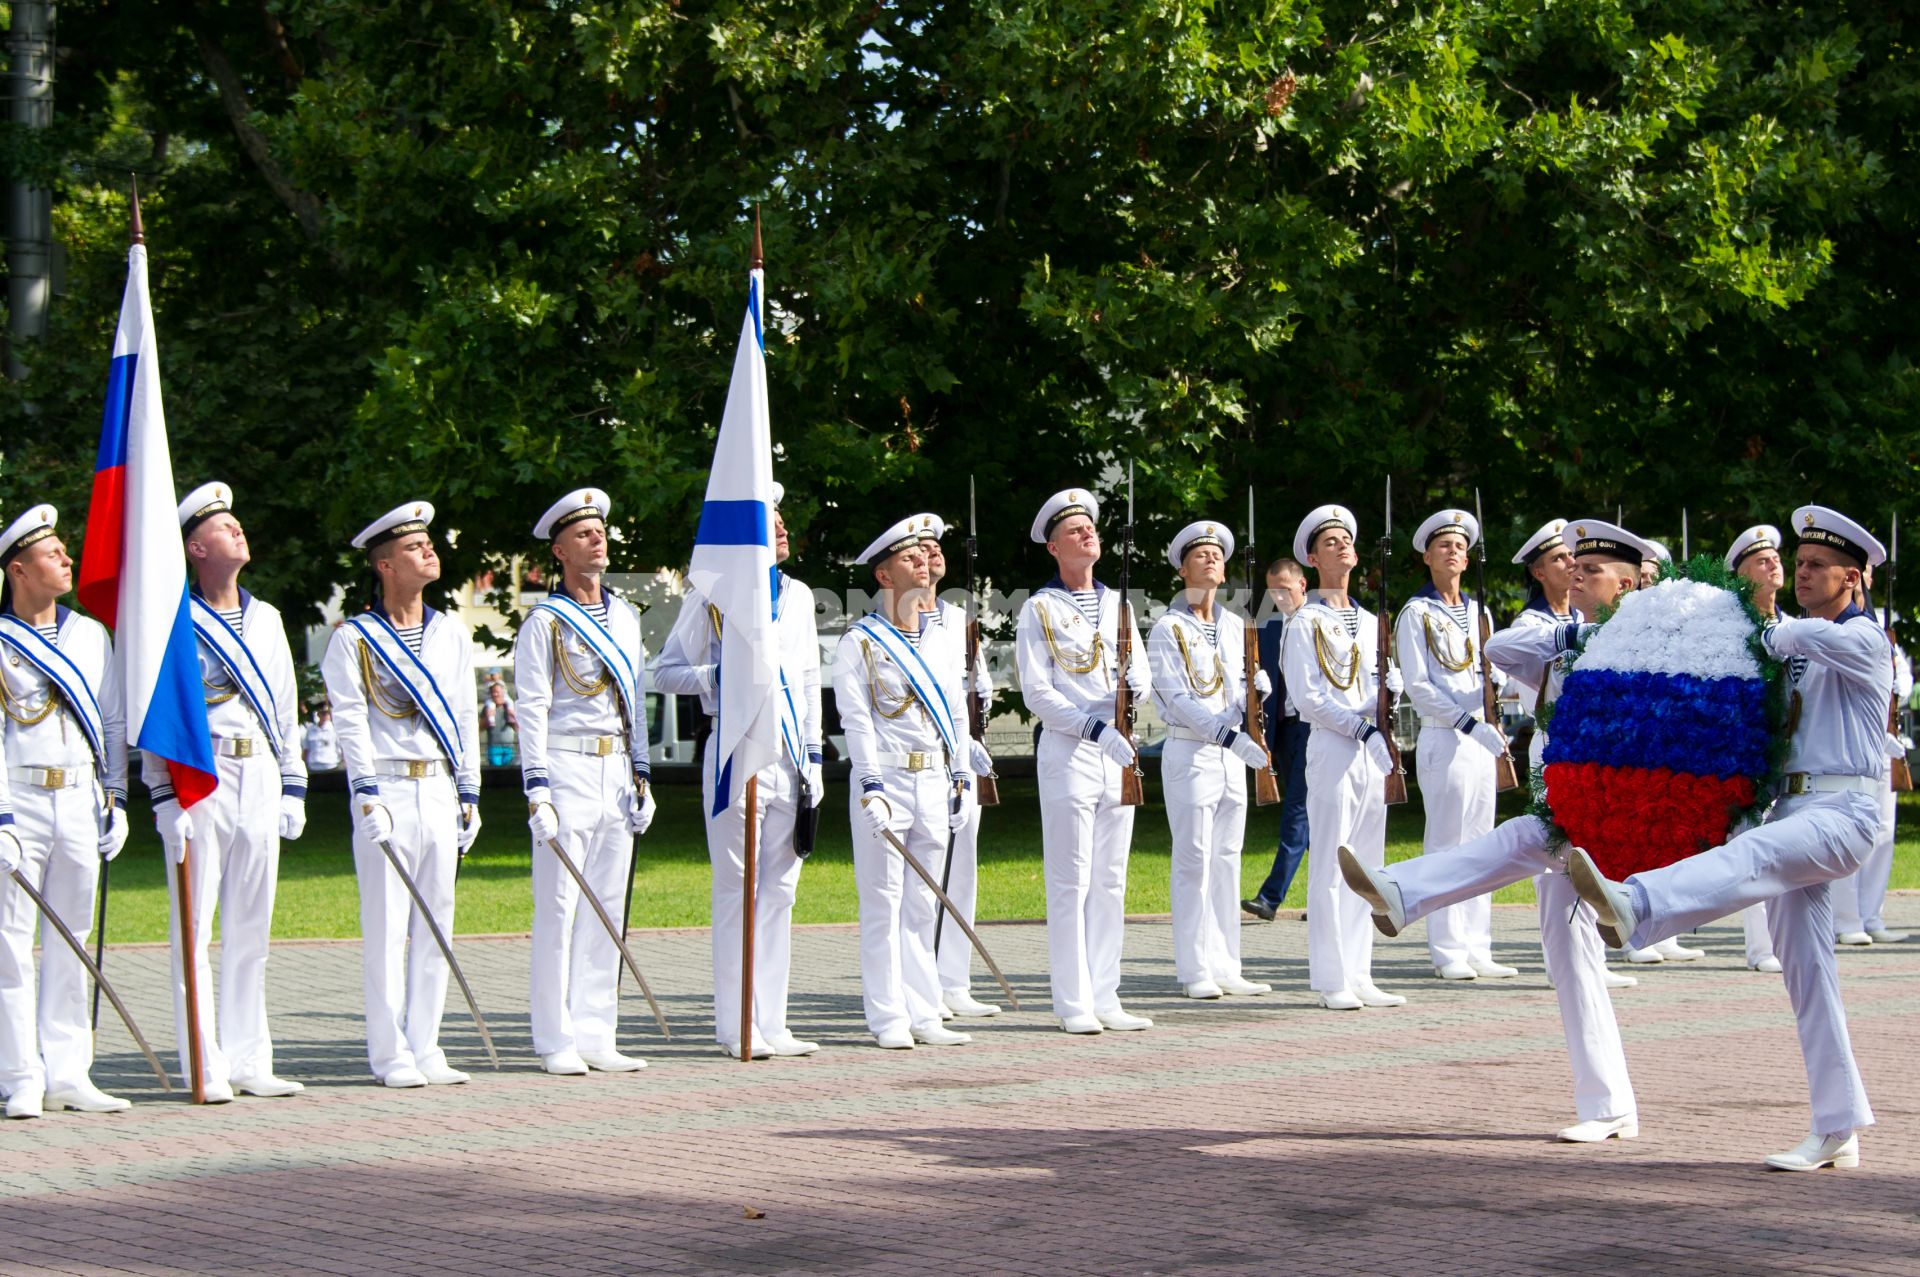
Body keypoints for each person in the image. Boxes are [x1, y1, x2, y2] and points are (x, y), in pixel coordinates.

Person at [1568, 505, 1886, 1171]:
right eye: (1797, 564)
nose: (1800, 574)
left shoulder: (1861, 639)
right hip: (1795, 807)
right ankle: (1838, 1124)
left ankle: (1639, 904)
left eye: (1816, 567)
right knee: (1808, 974)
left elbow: (1778, 638)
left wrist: (1716, 606)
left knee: (1754, 856)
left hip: (1843, 810)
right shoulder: (1806, 640)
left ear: (1852, 578)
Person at [1340, 516, 1650, 1142]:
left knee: (1520, 849)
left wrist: (1615, 629)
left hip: (1616, 807)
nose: (1577, 576)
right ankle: (1609, 1104)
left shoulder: (1648, 641)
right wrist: (1580, 631)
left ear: (1626, 583)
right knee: (1567, 955)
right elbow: (1501, 651)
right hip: (1567, 802)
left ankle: (1405, 893)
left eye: (1591, 571)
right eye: (1574, 566)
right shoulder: (1566, 636)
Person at [145, 482, 308, 1102]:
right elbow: (162, 714)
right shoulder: (174, 619)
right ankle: (204, 1062)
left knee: (251, 925)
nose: (237, 530)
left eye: (237, 522)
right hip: (203, 779)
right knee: (196, 929)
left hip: (260, 775)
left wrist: (293, 786)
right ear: (195, 547)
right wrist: (162, 795)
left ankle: (248, 1057)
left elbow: (286, 707)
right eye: (223, 526)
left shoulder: (266, 617)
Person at [654, 482, 822, 1058]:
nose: (780, 528)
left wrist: (815, 757)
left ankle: (771, 1019)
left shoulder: (798, 595)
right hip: (734, 754)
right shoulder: (714, 594)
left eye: (781, 518)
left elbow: (805, 680)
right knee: (737, 891)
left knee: (781, 892)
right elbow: (667, 671)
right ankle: (736, 1023)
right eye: (768, 520)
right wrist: (717, 679)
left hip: (789, 760)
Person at [319, 502, 483, 1088]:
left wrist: (470, 790)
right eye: (414, 548)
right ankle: (389, 1052)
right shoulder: (355, 640)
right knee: (387, 925)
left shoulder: (449, 632)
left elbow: (465, 713)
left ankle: (428, 1044)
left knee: (437, 918)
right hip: (386, 784)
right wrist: (365, 794)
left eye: (428, 543)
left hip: (438, 783)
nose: (429, 552)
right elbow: (352, 720)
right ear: (385, 564)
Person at [517, 488, 657, 1076]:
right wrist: (537, 789)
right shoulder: (545, 622)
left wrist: (643, 774)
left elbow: (635, 700)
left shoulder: (624, 616)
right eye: (583, 534)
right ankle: (555, 1037)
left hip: (616, 768)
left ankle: (598, 1029)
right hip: (567, 766)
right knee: (559, 906)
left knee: (607, 907)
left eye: (600, 530)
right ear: (560, 550)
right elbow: (532, 706)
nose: (596, 539)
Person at [0, 505, 130, 1118]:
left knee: (72, 936)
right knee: (10, 943)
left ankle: (69, 1069)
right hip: (19, 799)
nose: (68, 560)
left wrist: (116, 797)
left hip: (80, 795)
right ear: (19, 570)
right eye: (54, 554)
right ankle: (20, 1074)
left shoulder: (90, 635)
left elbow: (110, 721)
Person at [1013, 487, 1154, 1035]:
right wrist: (1095, 724)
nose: (1088, 534)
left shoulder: (1118, 604)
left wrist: (1129, 700)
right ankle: (1073, 1000)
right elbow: (1038, 692)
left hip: (1116, 749)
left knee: (1112, 879)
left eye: (1090, 527)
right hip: (1071, 750)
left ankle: (1107, 993)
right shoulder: (1039, 608)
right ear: (1054, 547)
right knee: (1071, 879)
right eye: (1074, 530)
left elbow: (1138, 672)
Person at [835, 516, 973, 1049]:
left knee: (923, 903)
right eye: (907, 556)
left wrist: (959, 773)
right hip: (887, 781)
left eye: (922, 553)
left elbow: (956, 714)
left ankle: (924, 1010)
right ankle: (888, 1016)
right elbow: (858, 721)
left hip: (932, 779)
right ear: (885, 576)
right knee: (883, 903)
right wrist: (870, 786)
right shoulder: (860, 643)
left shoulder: (941, 639)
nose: (921, 560)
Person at [1280, 504, 1404, 1011]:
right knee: (1334, 860)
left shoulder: (1372, 620)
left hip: (1370, 750)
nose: (1342, 547)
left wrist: (1391, 693)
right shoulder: (1303, 621)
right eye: (1329, 542)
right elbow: (1308, 697)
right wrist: (1360, 727)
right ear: (1312, 558)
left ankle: (1361, 970)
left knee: (1369, 863)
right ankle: (1332, 977)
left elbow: (1374, 685)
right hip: (1333, 745)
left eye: (1347, 540)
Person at [1148, 520, 1273, 999]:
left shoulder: (1236, 625)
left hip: (1230, 755)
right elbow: (1178, 699)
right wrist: (1227, 732)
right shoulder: (1168, 627)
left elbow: (1234, 688)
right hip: (1192, 751)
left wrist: (1255, 693)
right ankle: (1194, 967)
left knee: (1226, 860)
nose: (1212, 560)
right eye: (1201, 554)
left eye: (1218, 554)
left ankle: (1227, 963)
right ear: (1183, 568)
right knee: (1194, 860)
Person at [1394, 507, 1517, 981]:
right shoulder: (1416, 613)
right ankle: (1447, 948)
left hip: (1482, 740)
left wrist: (1501, 681)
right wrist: (1468, 722)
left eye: (1461, 547)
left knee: (1482, 844)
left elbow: (1485, 669)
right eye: (1445, 545)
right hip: (1447, 736)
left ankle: (1477, 944)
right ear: (1427, 556)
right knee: (1447, 845)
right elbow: (1419, 684)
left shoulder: (1478, 611)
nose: (1454, 552)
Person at [913, 515, 1001, 1018]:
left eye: (937, 546)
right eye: (922, 548)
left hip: (964, 757)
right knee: (926, 875)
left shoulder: (959, 616)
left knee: (961, 868)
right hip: (924, 755)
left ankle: (954, 979)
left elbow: (978, 682)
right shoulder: (905, 616)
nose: (933, 554)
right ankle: (924, 982)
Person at [1831, 560, 1911, 947]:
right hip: (1851, 741)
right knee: (1850, 830)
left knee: (1883, 833)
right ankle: (1847, 919)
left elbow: (1904, 682)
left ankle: (1871, 913)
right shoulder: (1836, 620)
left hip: (1885, 740)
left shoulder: (1881, 621)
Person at [1726, 525, 1785, 972]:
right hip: (1749, 748)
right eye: (1761, 560)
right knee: (1753, 841)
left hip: (1794, 751)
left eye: (1775, 558)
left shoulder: (1793, 626)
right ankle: (1761, 945)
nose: (1774, 564)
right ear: (1742, 574)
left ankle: (1785, 939)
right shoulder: (1735, 629)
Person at [1243, 558, 1310, 921]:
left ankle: (1271, 896)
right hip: (1282, 728)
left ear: (1302, 585)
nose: (1280, 596)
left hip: (1313, 727)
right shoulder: (1267, 626)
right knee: (1315, 815)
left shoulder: (1319, 620)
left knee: (1297, 810)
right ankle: (1327, 895)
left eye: (1285, 588)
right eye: (1273, 591)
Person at [481, 680, 518, 766]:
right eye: (493, 692)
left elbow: (517, 728)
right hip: (494, 747)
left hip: (509, 747)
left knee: (508, 773)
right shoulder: (487, 708)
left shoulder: (510, 707)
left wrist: (513, 717)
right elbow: (480, 728)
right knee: (496, 774)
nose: (495, 694)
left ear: (503, 693)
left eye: (497, 692)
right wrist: (487, 718)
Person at [304, 702, 341, 772]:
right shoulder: (311, 730)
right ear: (318, 714)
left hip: (331, 765)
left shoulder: (334, 729)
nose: (325, 716)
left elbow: (341, 748)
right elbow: (306, 749)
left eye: (327, 714)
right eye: (323, 714)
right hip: (313, 766)